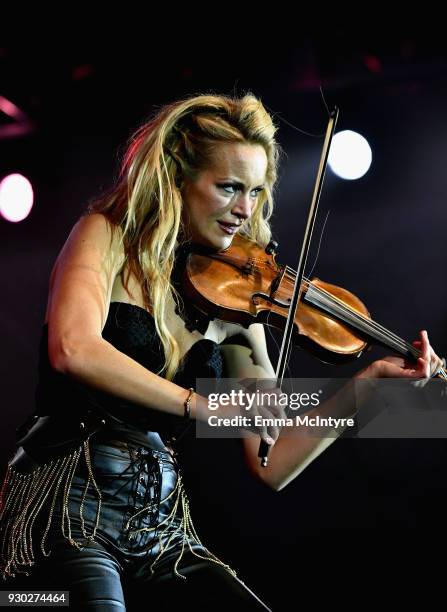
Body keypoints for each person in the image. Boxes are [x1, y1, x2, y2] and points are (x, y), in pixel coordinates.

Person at [0, 93, 442, 610]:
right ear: (177, 178)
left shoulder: (240, 303)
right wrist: (200, 405)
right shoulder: (106, 235)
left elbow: (271, 461)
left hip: (161, 529)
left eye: (255, 191)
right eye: (229, 187)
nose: (244, 211)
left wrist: (366, 387)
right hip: (65, 509)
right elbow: (73, 349)